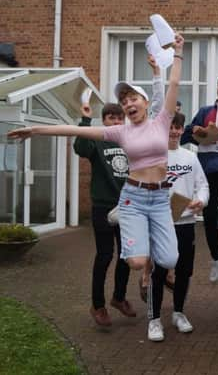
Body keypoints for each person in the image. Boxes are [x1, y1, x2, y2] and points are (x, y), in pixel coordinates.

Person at [9, 34, 184, 277]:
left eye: (133, 99)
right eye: (124, 102)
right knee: (135, 262)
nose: (128, 104)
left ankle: (145, 233)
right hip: (134, 196)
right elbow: (75, 130)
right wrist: (36, 129)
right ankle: (128, 216)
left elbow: (173, 85)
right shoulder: (120, 132)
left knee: (169, 259)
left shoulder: (162, 122)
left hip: (160, 198)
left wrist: (177, 52)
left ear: (145, 102)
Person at [147, 112, 209, 341]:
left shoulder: (190, 157)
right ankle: (153, 320)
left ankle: (178, 313)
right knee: (160, 271)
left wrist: (201, 200)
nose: (174, 131)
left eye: (178, 127)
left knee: (183, 271)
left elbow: (203, 186)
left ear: (183, 130)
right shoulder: (154, 157)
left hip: (186, 223)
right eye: (170, 127)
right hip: (162, 223)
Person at [73, 102, 135, 327]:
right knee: (105, 255)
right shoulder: (97, 141)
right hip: (103, 206)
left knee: (127, 255)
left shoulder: (130, 142)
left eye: (120, 118)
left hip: (127, 206)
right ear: (104, 121)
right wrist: (85, 120)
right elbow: (80, 148)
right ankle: (98, 305)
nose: (116, 122)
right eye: (111, 118)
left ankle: (119, 297)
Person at [181, 74, 218, 284]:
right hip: (209, 169)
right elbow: (186, 135)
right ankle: (216, 258)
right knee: (210, 215)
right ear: (216, 88)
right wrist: (194, 129)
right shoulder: (205, 111)